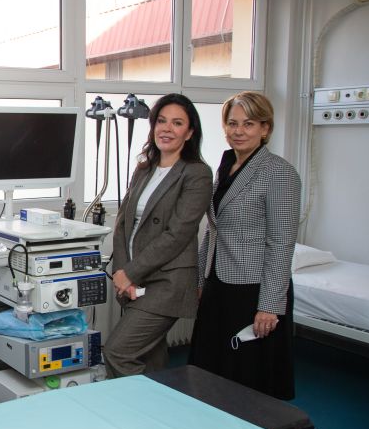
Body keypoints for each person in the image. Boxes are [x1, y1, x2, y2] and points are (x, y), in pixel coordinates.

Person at [188, 91, 301, 400]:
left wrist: (270, 305)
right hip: (219, 282)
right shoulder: (226, 167)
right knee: (211, 368)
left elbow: (281, 244)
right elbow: (214, 230)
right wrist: (201, 280)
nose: (238, 131)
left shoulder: (278, 172)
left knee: (246, 377)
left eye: (248, 124)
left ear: (265, 128)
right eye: (232, 123)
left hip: (253, 289)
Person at [105, 93, 213, 378]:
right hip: (134, 277)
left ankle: (134, 406)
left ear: (189, 132)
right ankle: (159, 403)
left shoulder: (197, 174)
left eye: (177, 123)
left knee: (118, 352)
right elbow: (123, 224)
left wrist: (130, 273)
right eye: (161, 121)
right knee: (150, 359)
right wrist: (121, 273)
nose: (167, 128)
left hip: (167, 283)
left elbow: (177, 234)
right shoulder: (145, 168)